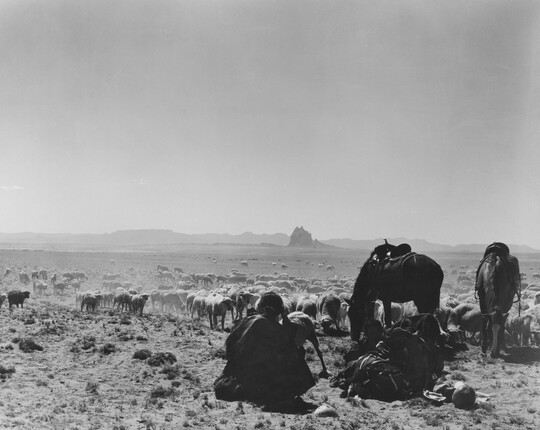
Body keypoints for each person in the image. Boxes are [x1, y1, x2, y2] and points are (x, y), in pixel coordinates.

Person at [214, 292, 315, 408]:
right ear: (278, 310)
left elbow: (231, 342)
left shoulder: (251, 320)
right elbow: (290, 345)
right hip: (262, 375)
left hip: (238, 371)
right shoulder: (274, 327)